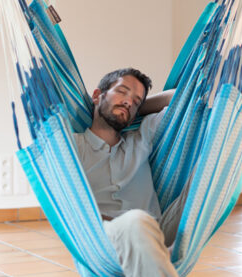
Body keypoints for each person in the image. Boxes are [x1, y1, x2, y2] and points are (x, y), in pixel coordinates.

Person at [74, 67, 179, 277]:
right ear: (97, 96)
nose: (129, 101)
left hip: (157, 229)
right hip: (103, 238)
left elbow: (183, 99)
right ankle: (157, 254)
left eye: (137, 100)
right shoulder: (72, 146)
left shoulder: (142, 138)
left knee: (206, 181)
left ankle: (153, 250)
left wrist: (132, 108)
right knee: (135, 221)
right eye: (122, 91)